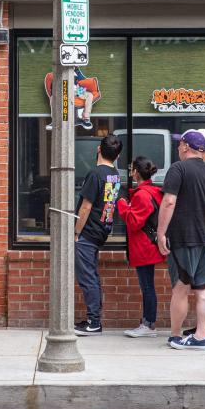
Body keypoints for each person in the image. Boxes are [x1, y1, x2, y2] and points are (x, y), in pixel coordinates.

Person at [156, 130, 205, 351]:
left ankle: (176, 336)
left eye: (179, 145)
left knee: (180, 289)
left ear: (186, 146)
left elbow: (168, 202)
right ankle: (201, 337)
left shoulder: (178, 169)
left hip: (183, 239)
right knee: (203, 289)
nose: (178, 148)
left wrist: (160, 233)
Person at [73, 134, 123, 336]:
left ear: (98, 150)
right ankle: (94, 318)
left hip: (88, 232)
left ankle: (94, 322)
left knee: (88, 277)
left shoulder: (95, 174)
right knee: (91, 275)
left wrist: (76, 232)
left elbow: (85, 207)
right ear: (117, 155)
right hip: (102, 229)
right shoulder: (115, 174)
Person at [116, 156, 166, 338]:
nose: (130, 172)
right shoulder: (153, 191)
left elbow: (133, 221)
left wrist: (121, 203)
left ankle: (148, 324)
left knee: (147, 287)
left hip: (144, 247)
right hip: (148, 246)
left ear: (136, 172)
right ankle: (147, 323)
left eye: (131, 169)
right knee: (148, 286)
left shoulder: (143, 195)